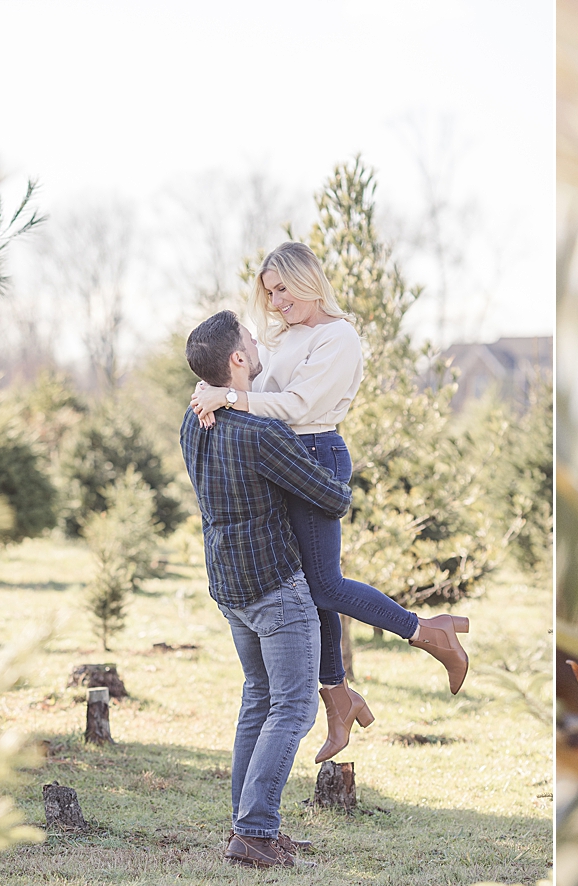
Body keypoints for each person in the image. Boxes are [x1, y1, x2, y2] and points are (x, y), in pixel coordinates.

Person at [189, 242, 469, 765]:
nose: (276, 300)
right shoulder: (288, 336)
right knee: (307, 589)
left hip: (316, 452)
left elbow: (295, 407)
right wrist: (215, 390)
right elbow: (254, 385)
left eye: (283, 288)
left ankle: (429, 633)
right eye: (269, 293)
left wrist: (226, 398)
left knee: (324, 584)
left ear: (308, 280)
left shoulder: (338, 338)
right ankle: (338, 700)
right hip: (289, 454)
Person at [180, 309, 352, 870]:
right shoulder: (261, 433)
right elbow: (330, 497)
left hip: (229, 585)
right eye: (251, 341)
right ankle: (255, 831)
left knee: (258, 698)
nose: (259, 346)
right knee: (294, 708)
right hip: (275, 586)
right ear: (237, 360)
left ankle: (246, 825)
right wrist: (331, 452)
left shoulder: (194, 421)